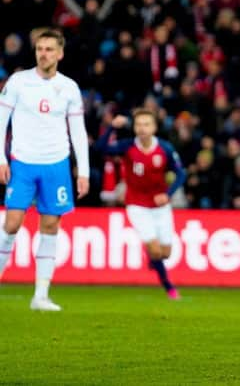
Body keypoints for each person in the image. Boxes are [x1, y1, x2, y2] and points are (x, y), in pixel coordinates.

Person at [0, 28, 89, 311]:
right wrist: (1, 159)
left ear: (60, 54)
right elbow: (1, 121)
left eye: (50, 49)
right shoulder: (18, 82)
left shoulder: (69, 88)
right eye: (40, 49)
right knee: (12, 223)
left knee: (50, 226)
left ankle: (40, 295)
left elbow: (78, 132)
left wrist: (83, 170)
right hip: (23, 162)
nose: (44, 54)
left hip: (56, 164)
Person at [95, 110, 186, 299]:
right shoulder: (127, 146)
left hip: (160, 206)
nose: (142, 128)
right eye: (138, 125)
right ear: (134, 127)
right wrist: (112, 126)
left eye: (146, 124)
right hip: (137, 205)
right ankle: (168, 286)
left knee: (166, 253)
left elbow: (181, 174)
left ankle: (154, 260)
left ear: (154, 127)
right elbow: (99, 149)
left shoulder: (165, 149)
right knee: (155, 249)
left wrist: (167, 195)